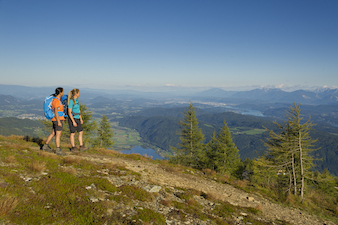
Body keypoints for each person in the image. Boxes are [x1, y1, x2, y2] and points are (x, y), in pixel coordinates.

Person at [42, 87, 66, 155]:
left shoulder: (56, 99)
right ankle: (58, 150)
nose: (63, 93)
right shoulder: (56, 100)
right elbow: (56, 111)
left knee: (53, 133)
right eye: (63, 91)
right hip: (57, 119)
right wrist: (58, 121)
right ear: (60, 92)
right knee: (58, 135)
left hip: (55, 119)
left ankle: (45, 146)